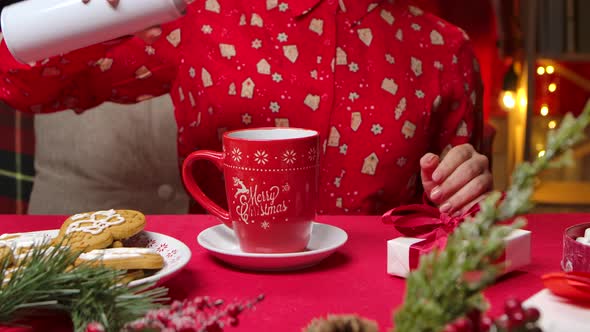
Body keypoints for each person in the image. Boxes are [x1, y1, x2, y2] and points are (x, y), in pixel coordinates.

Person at [0, 0, 492, 216]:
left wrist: (464, 187)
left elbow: (454, 224)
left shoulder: (443, 48)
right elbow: (21, 85)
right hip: (223, 303)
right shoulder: (204, 14)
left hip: (375, 310)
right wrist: (87, 13)